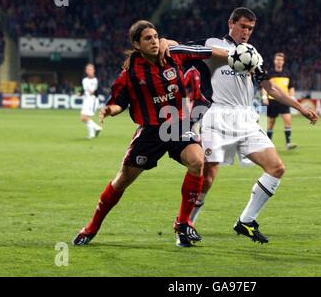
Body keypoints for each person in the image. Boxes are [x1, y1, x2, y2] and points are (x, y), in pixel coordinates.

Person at [72, 20, 229, 248]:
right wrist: (109, 109)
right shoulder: (131, 74)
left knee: (197, 161)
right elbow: (118, 102)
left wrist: (234, 57)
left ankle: (183, 223)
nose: (154, 41)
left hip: (177, 126)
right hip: (151, 133)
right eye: (148, 38)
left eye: (156, 36)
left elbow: (206, 51)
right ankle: (92, 227)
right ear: (137, 44)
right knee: (122, 180)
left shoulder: (173, 54)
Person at [189, 7, 318, 244]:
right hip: (217, 116)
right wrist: (165, 42)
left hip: (246, 119)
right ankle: (188, 224)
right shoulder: (213, 44)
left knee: (276, 167)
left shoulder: (252, 54)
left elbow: (269, 88)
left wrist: (299, 107)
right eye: (243, 26)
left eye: (250, 28)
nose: (246, 32)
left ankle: (246, 221)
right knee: (206, 179)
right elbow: (184, 50)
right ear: (231, 23)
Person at [261, 52, 297, 150]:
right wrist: (264, 97)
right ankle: (268, 144)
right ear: (274, 61)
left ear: (283, 62)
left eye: (281, 60)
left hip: (284, 100)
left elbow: (291, 87)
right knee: (270, 123)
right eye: (277, 60)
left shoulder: (288, 73)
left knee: (288, 121)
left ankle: (288, 143)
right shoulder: (270, 73)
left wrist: (292, 97)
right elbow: (265, 86)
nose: (279, 62)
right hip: (272, 100)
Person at [80, 64, 102, 139]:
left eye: (90, 69)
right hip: (87, 100)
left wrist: (91, 91)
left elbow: (92, 91)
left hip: (92, 100)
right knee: (83, 118)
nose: (88, 71)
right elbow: (85, 90)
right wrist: (80, 94)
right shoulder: (84, 80)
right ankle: (94, 131)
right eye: (87, 69)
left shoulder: (95, 80)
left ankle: (95, 130)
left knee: (85, 117)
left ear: (93, 70)